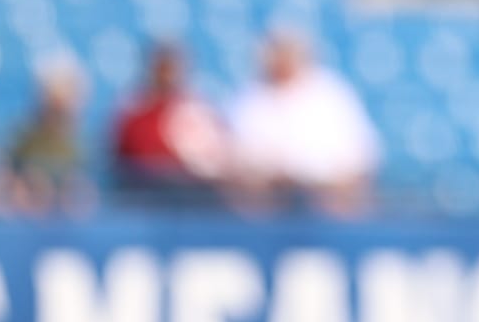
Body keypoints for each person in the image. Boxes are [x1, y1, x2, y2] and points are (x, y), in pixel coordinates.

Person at [225, 27, 383, 216]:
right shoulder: (249, 97)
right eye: (277, 53)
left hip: (324, 196)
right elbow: (237, 157)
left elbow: (361, 156)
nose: (282, 60)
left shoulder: (331, 93)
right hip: (272, 197)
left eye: (287, 53)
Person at [111, 42, 230, 203]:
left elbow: (217, 156)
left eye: (172, 68)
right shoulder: (135, 111)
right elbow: (131, 160)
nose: (167, 75)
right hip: (149, 196)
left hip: (194, 196)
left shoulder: (198, 110)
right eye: (163, 68)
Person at [1, 54, 95, 216]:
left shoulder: (84, 143)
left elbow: (91, 192)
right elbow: (4, 180)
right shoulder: (22, 138)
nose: (61, 102)